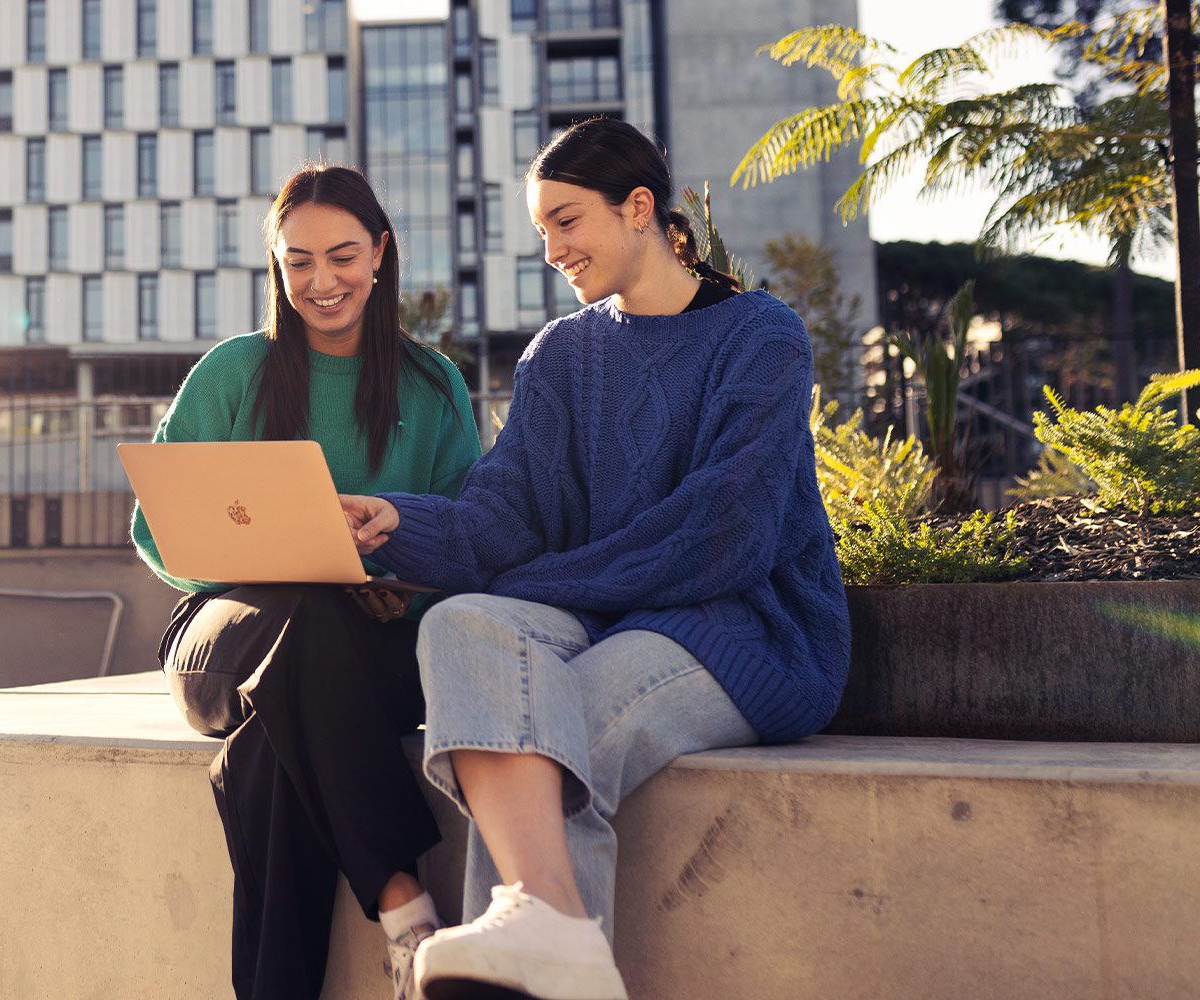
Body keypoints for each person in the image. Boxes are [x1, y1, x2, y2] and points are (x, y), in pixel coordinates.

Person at [339, 117, 851, 1000]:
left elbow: (723, 534)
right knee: (465, 623)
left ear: (640, 208)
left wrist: (545, 585)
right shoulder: (562, 354)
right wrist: (397, 521)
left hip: (738, 629)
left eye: (567, 222)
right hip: (603, 618)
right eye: (543, 232)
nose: (554, 250)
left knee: (549, 724)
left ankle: (532, 941)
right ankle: (552, 936)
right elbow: (504, 517)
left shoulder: (762, 337)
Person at [130, 163, 483, 1000]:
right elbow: (158, 531)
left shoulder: (432, 385)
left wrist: (408, 581)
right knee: (306, 616)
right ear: (277, 267)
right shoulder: (233, 372)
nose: (322, 282)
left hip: (376, 648)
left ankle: (368, 947)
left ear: (381, 255)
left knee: (274, 747)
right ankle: (404, 902)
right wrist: (263, 561)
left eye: (343, 256)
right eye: (299, 262)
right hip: (227, 631)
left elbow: (471, 537)